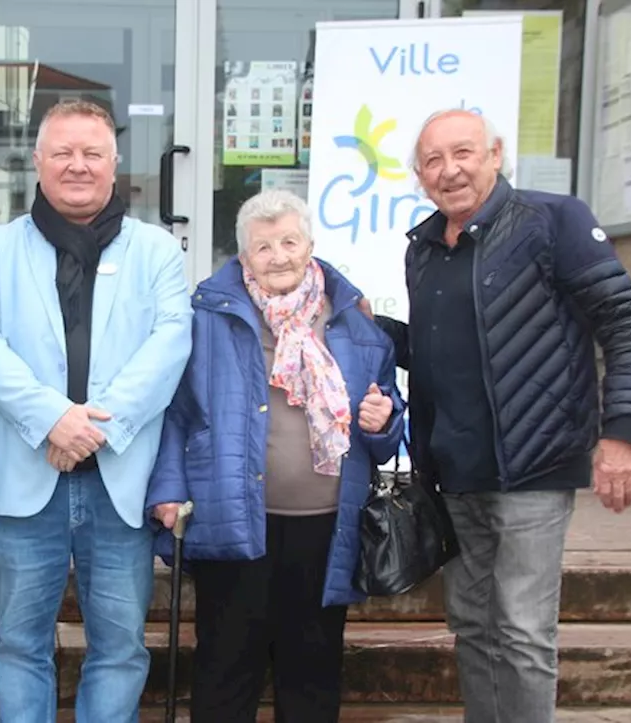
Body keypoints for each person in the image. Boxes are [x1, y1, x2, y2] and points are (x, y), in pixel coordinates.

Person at [366, 109, 631, 723]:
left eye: (464, 153)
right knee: (473, 627)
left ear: (495, 154)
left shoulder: (555, 221)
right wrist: (364, 327)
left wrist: (623, 434)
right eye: (433, 161)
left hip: (534, 467)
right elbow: (432, 350)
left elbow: (629, 325)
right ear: (418, 175)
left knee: (523, 633)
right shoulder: (423, 248)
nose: (450, 171)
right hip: (454, 471)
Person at [0, 99, 193, 723]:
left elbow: (171, 344)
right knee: (17, 643)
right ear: (38, 161)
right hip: (23, 474)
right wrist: (53, 421)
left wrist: (89, 429)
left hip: (120, 479)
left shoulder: (158, 252)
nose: (77, 165)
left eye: (92, 153)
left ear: (115, 165)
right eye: (62, 152)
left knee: (119, 648)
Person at [145, 188, 406, 723]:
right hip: (236, 520)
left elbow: (383, 431)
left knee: (311, 673)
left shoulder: (357, 328)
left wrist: (384, 422)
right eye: (264, 247)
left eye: (289, 241)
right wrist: (168, 489)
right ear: (243, 257)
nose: (279, 255)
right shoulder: (207, 318)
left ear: (310, 245)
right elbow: (175, 411)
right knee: (225, 671)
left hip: (326, 527)